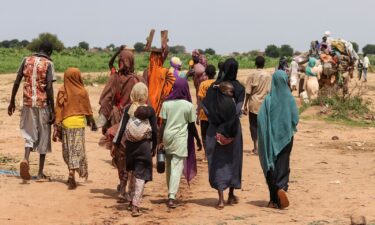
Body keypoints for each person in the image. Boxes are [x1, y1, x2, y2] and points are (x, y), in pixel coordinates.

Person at [98, 48, 144, 201]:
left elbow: (105, 100)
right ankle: (130, 188)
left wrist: (103, 121)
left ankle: (123, 186)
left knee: (120, 154)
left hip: (118, 122)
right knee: (132, 155)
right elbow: (146, 103)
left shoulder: (114, 78)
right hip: (135, 122)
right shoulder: (138, 80)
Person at [8, 41, 55, 180]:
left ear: (38, 49)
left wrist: (12, 101)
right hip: (43, 104)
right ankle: (40, 173)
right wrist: (53, 110)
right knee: (44, 136)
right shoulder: (49, 64)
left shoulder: (26, 60)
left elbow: (17, 81)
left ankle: (25, 158)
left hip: (27, 103)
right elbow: (49, 88)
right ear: (50, 52)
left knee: (29, 133)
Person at [203, 58, 245, 210]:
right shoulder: (239, 88)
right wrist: (229, 122)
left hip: (214, 129)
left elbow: (206, 108)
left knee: (217, 161)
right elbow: (238, 109)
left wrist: (216, 120)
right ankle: (231, 195)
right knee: (233, 159)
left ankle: (220, 198)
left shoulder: (213, 87)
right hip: (233, 128)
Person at [114, 83, 157, 217]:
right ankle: (135, 205)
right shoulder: (150, 110)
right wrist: (155, 146)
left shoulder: (128, 108)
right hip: (144, 147)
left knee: (132, 172)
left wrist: (116, 144)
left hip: (130, 147)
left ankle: (131, 199)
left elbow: (121, 128)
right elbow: (155, 130)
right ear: (145, 94)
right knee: (140, 176)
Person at [257, 70, 299, 209]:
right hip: (286, 139)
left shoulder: (268, 100)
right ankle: (282, 188)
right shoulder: (290, 99)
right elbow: (295, 119)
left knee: (271, 166)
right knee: (283, 164)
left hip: (270, 140)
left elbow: (260, 119)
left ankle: (272, 200)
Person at [159, 78, 202, 209]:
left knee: (169, 166)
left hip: (167, 137)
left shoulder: (166, 104)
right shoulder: (188, 106)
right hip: (179, 139)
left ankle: (170, 192)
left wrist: (160, 141)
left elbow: (163, 125)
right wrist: (198, 140)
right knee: (177, 166)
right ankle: (171, 196)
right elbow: (191, 126)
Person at [54, 68, 97, 189]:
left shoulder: (62, 90)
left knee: (68, 150)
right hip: (78, 124)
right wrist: (92, 122)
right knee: (77, 150)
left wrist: (56, 125)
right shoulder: (82, 91)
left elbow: (58, 109)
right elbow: (88, 109)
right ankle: (72, 173)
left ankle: (71, 172)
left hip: (66, 124)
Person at [243, 56, 272, 155]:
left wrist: (245, 105)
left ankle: (256, 147)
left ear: (255, 64)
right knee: (264, 126)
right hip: (265, 103)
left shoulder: (252, 75)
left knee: (254, 126)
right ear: (264, 64)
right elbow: (270, 91)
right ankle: (264, 148)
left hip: (253, 103)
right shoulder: (268, 75)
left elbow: (248, 92)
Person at [197, 65, 216, 162]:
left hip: (204, 113)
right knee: (214, 134)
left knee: (204, 135)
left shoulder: (203, 84)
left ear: (206, 74)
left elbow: (200, 100)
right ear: (215, 73)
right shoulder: (218, 84)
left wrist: (197, 113)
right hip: (216, 114)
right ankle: (214, 154)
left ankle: (206, 155)